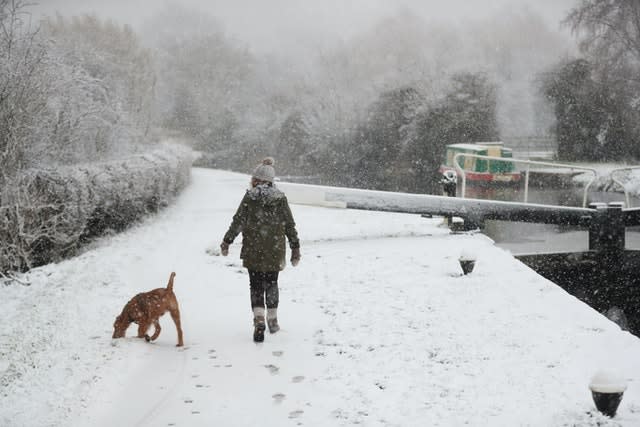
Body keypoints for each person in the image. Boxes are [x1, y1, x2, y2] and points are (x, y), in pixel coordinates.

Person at [220, 157, 301, 342]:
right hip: (274, 248)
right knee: (272, 282)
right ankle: (272, 320)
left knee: (256, 284)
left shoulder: (250, 197)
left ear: (257, 179)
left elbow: (238, 221)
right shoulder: (280, 198)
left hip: (253, 248)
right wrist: (295, 247)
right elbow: (289, 225)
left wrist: (227, 240)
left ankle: (259, 320)